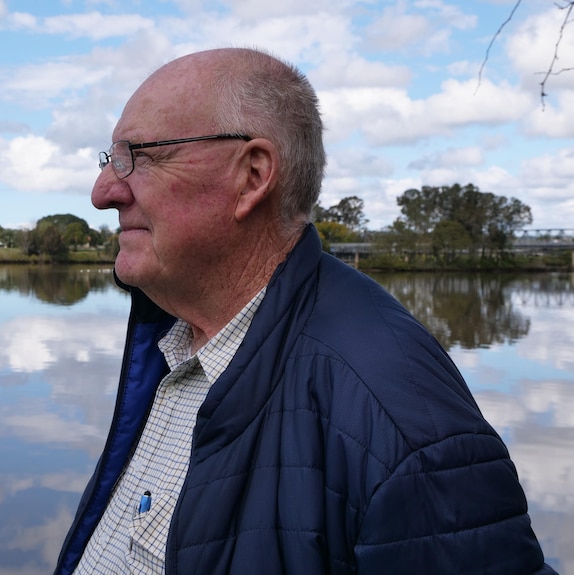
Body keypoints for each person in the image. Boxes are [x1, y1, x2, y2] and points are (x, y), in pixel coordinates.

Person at [53, 47, 556, 574]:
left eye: (139, 156)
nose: (103, 191)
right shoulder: (178, 334)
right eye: (109, 158)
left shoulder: (396, 417)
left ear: (251, 175)